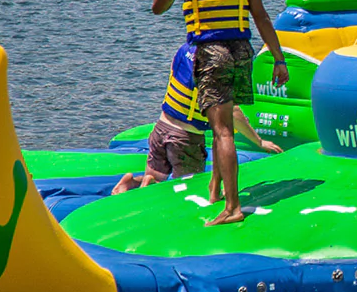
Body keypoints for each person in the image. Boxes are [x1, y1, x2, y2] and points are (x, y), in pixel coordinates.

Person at [150, 0, 288, 225]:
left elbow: (158, 7)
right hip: (241, 52)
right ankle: (215, 188)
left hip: (211, 53)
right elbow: (262, 18)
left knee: (222, 129)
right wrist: (279, 59)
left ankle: (232, 207)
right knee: (219, 121)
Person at [111, 41, 282, 195]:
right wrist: (259, 141)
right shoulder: (213, 64)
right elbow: (234, 112)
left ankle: (135, 183)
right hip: (185, 139)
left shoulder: (184, 50)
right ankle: (149, 186)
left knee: (157, 177)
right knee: (187, 189)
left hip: (161, 128)